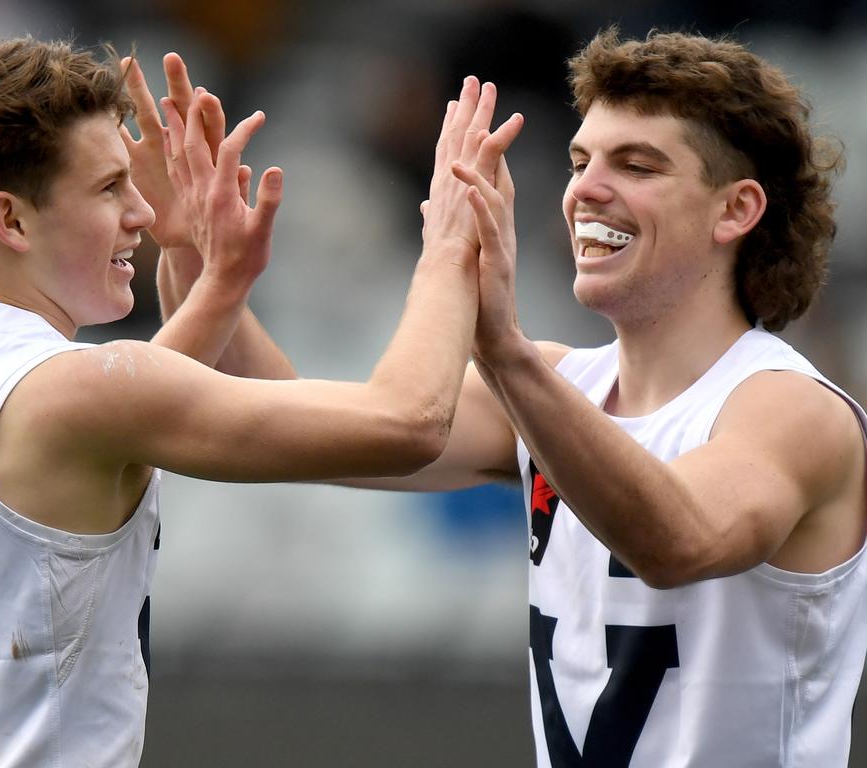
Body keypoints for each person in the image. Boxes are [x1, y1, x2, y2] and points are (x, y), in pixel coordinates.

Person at [168, 28, 867, 766]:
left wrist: (502, 348)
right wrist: (201, 256)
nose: (586, 189)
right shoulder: (556, 386)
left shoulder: (790, 406)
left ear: (736, 210)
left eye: (637, 165)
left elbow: (678, 541)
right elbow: (291, 421)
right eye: (579, 161)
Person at [0, 36, 524, 766]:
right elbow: (411, 421)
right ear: (10, 221)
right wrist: (452, 244)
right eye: (109, 188)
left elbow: (125, 415)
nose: (138, 211)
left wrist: (217, 277)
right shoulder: (81, 389)